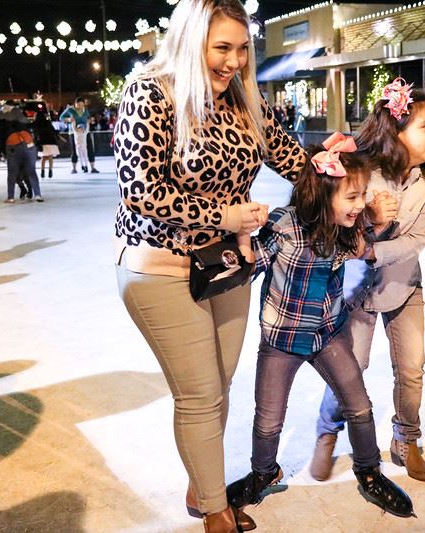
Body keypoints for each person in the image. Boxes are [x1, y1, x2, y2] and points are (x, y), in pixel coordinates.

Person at [112, 1, 305, 531]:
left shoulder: (241, 97)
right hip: (161, 267)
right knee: (199, 394)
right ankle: (216, 511)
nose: (234, 61)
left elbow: (289, 156)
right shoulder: (149, 92)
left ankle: (203, 487)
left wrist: (341, 168)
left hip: (225, 264)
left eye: (242, 49)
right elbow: (140, 191)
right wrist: (223, 214)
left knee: (219, 386)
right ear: (190, 41)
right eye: (222, 47)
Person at [227, 136, 414, 519]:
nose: (360, 203)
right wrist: (243, 232)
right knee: (268, 418)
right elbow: (251, 263)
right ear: (322, 191)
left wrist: (375, 219)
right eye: (352, 196)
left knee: (358, 404)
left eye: (362, 194)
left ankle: (369, 472)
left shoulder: (345, 230)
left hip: (327, 334)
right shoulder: (285, 226)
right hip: (281, 340)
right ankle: (263, 474)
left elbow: (361, 249)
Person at [310, 81, 425, 483]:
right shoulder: (363, 174)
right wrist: (371, 219)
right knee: (351, 367)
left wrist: (374, 250)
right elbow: (334, 232)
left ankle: (406, 440)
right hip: (354, 288)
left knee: (412, 366)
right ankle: (326, 432)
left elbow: (417, 242)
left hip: (403, 283)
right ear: (398, 132)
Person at [59, 96, 98, 174]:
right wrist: (68, 119)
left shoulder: (85, 110)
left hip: (84, 131)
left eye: (82, 105)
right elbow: (61, 117)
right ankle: (74, 168)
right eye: (78, 105)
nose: (80, 106)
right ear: (75, 104)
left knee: (89, 148)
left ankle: (92, 167)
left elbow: (88, 118)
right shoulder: (70, 110)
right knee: (74, 149)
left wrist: (90, 120)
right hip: (73, 132)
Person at [33, 111, 60, 179]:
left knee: (44, 157)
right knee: (50, 156)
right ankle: (50, 170)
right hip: (51, 141)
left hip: (43, 142)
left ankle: (42, 170)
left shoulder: (36, 123)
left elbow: (35, 133)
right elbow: (53, 130)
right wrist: (57, 136)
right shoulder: (47, 122)